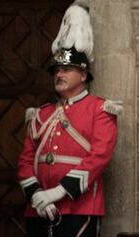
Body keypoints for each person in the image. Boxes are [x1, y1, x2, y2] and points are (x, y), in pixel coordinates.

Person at [17, 2, 122, 236]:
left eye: (66, 69)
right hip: (39, 209)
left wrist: (57, 192)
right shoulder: (40, 114)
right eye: (56, 70)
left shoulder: (100, 109)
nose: (59, 74)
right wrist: (37, 195)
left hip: (80, 208)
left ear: (83, 74)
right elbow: (25, 160)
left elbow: (98, 157)